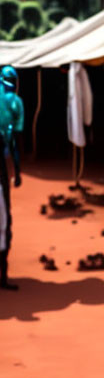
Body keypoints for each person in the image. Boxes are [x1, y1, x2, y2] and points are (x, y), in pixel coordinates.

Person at [0, 65, 23, 290]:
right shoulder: (14, 101)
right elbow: (15, 140)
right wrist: (16, 171)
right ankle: (3, 275)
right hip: (2, 160)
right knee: (4, 218)